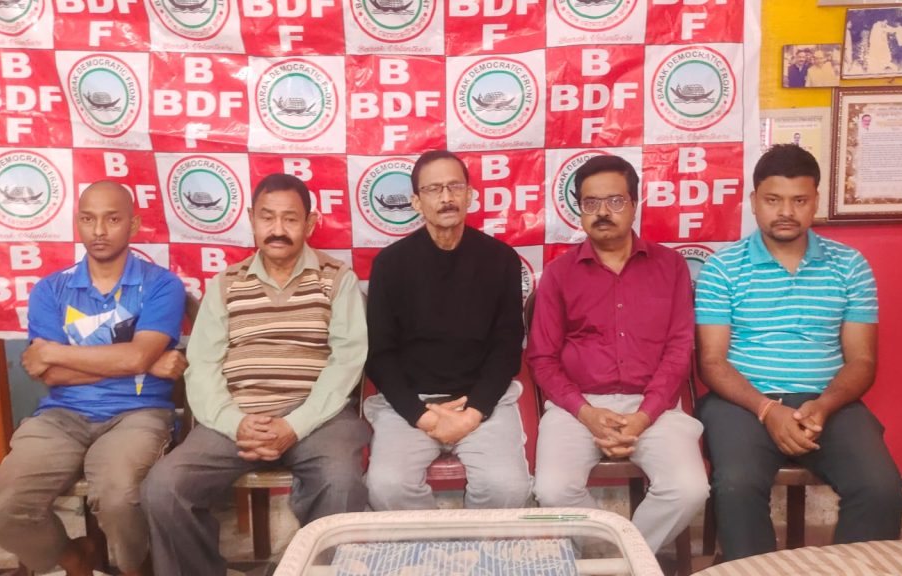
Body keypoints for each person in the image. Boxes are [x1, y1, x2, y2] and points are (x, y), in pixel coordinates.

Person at [141, 174, 370, 576]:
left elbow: (347, 361)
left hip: (318, 417)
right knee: (164, 488)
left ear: (309, 223)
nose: (278, 229)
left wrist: (294, 425)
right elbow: (203, 365)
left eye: (290, 219)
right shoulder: (226, 284)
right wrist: (235, 423)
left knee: (340, 481)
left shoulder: (337, 278)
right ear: (251, 219)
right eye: (267, 217)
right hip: (237, 416)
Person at [695, 145, 902, 561]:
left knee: (881, 489)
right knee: (736, 486)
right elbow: (712, 362)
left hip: (828, 402)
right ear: (754, 201)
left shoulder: (850, 266)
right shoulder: (723, 268)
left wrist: (823, 406)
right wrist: (767, 410)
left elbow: (862, 361)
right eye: (773, 200)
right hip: (743, 402)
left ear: (816, 201)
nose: (786, 212)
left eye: (800, 200)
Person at [0, 181, 187, 576]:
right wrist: (140, 363)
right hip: (62, 416)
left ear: (133, 224)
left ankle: (137, 570)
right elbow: (49, 373)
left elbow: (133, 355)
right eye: (88, 219)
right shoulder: (50, 289)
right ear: (77, 223)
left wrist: (57, 351)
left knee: (118, 497)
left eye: (112, 219)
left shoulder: (161, 284)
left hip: (137, 415)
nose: (99, 230)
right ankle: (76, 559)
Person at [527, 155, 709, 553]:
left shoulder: (671, 266)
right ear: (579, 209)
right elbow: (542, 359)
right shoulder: (559, 273)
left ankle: (615, 563)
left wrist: (644, 416)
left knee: (689, 488)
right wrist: (587, 413)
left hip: (654, 405)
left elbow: (679, 351)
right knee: (552, 489)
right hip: (578, 406)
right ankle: (622, 561)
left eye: (615, 201)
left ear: (634, 203)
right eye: (590, 203)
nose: (603, 212)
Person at [364, 149, 530, 511]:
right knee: (387, 487)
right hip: (410, 404)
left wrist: (472, 413)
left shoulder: (501, 260)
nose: (446, 197)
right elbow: (380, 355)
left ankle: (477, 548)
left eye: (455, 187)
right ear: (416, 201)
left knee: (507, 488)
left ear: (470, 195)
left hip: (482, 402)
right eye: (434, 189)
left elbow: (506, 348)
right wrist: (421, 415)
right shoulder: (390, 264)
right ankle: (433, 547)